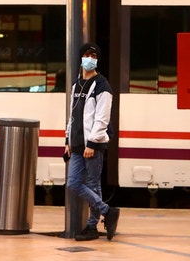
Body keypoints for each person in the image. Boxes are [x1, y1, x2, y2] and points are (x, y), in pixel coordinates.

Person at [64, 42, 120, 242]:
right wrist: (67, 140)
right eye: (87, 55)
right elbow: (72, 115)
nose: (90, 59)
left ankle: (92, 227)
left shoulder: (102, 85)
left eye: (94, 56)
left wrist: (93, 144)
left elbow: (102, 118)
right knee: (73, 183)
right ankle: (108, 211)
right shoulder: (76, 84)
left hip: (92, 144)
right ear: (81, 58)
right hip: (77, 144)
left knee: (94, 184)